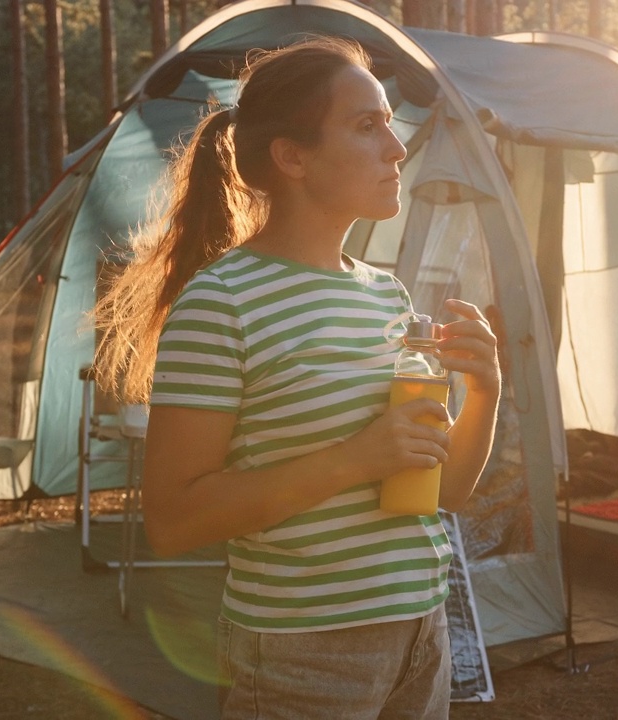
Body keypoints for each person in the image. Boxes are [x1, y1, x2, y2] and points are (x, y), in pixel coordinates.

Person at [92, 37, 500, 720]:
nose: (397, 149)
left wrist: (484, 390)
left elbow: (444, 492)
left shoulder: (387, 297)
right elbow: (173, 520)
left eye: (389, 125)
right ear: (293, 156)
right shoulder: (221, 303)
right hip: (303, 651)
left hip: (422, 634)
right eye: (367, 126)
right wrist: (357, 457)